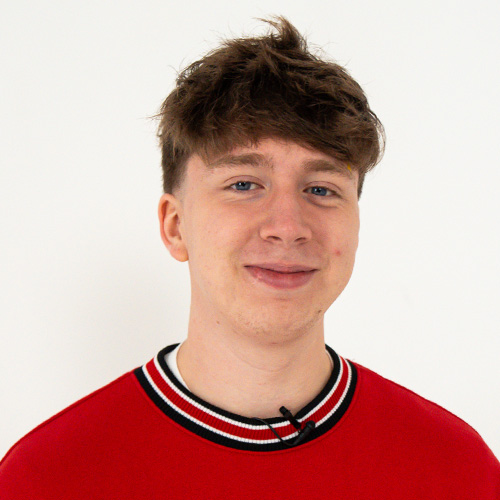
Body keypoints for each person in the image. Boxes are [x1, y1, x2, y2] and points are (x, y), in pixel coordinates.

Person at [1, 16, 499, 499]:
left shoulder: (458, 472)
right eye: (243, 184)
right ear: (175, 226)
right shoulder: (44, 480)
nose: (288, 226)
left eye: (321, 188)